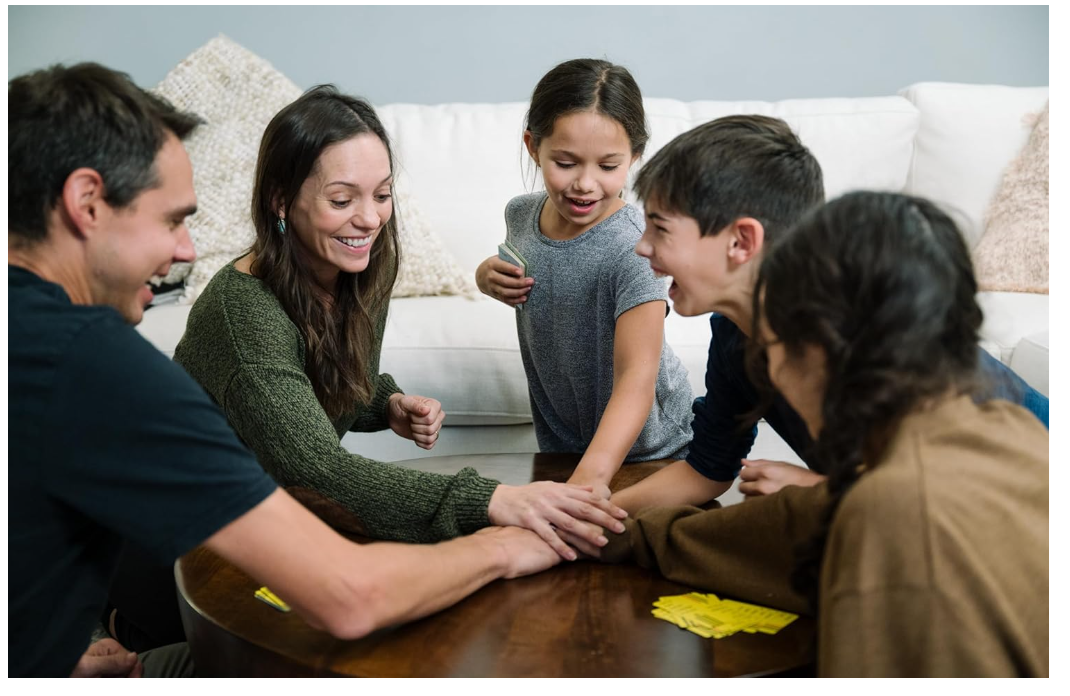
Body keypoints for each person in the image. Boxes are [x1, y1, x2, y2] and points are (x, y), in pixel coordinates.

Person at [8, 62, 569, 677]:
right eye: (171, 219)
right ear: (86, 202)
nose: (188, 251)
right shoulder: (108, 358)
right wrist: (499, 537)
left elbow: (313, 393)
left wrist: (381, 403)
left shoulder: (42, 348)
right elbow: (346, 582)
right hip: (182, 572)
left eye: (381, 195)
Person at [600, 191, 1048, 676]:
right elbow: (791, 521)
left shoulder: (894, 519)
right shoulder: (1000, 434)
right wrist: (602, 533)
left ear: (817, 347)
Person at [611, 115, 1049, 513]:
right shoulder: (733, 335)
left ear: (741, 242)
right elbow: (706, 470)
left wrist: (822, 488)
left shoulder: (863, 323)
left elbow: (964, 485)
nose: (641, 246)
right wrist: (589, 515)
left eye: (661, 228)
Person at [474, 58, 693, 497]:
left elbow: (637, 376)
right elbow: (533, 271)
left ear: (634, 156)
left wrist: (589, 480)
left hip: (652, 451)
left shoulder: (633, 250)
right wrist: (486, 276)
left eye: (608, 167)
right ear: (533, 146)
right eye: (566, 162)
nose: (585, 184)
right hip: (565, 443)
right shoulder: (520, 214)